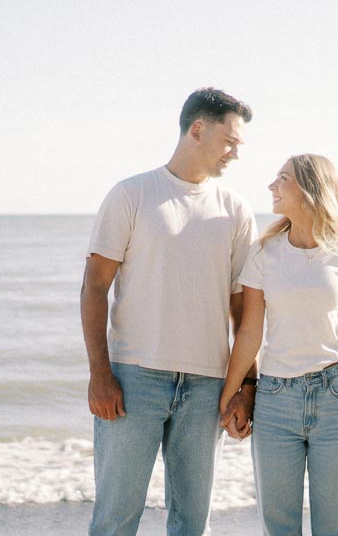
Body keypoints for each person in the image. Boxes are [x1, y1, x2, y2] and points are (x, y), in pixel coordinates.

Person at [81, 87, 259, 536]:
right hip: (133, 379)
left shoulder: (235, 210)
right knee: (116, 518)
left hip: (206, 386)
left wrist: (247, 385)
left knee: (192, 523)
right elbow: (94, 287)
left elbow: (244, 309)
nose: (236, 153)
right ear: (197, 129)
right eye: (230, 141)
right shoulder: (132, 194)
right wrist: (100, 374)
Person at [219, 155, 338, 536]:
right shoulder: (263, 252)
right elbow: (249, 334)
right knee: (279, 526)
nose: (272, 186)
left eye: (282, 178)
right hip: (275, 400)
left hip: (335, 396)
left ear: (309, 189)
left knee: (337, 526)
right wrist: (227, 398)